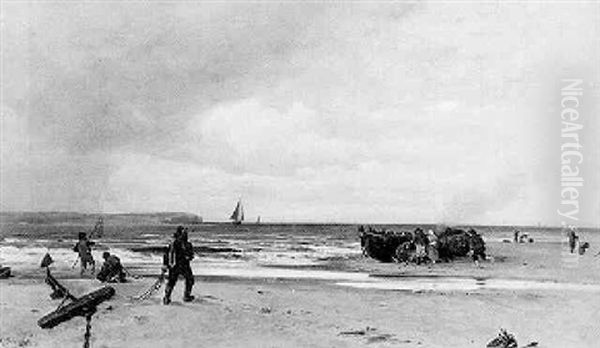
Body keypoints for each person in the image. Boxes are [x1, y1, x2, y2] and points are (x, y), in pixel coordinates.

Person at [162, 226, 195, 305]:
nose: (185, 234)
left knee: (189, 280)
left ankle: (185, 296)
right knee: (173, 282)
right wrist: (165, 265)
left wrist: (189, 256)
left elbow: (191, 255)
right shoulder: (174, 244)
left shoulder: (185, 244)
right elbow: (167, 255)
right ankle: (168, 297)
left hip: (180, 265)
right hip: (177, 266)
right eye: (183, 233)